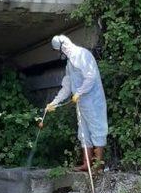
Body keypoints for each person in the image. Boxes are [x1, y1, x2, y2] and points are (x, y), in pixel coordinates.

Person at [45, 35, 108, 172]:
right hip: (81, 102)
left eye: (58, 51)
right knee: (83, 132)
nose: (58, 54)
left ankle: (99, 166)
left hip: (93, 100)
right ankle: (87, 164)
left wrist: (79, 92)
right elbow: (67, 86)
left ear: (63, 47)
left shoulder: (82, 55)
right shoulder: (69, 63)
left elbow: (90, 77)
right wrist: (54, 102)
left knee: (97, 129)